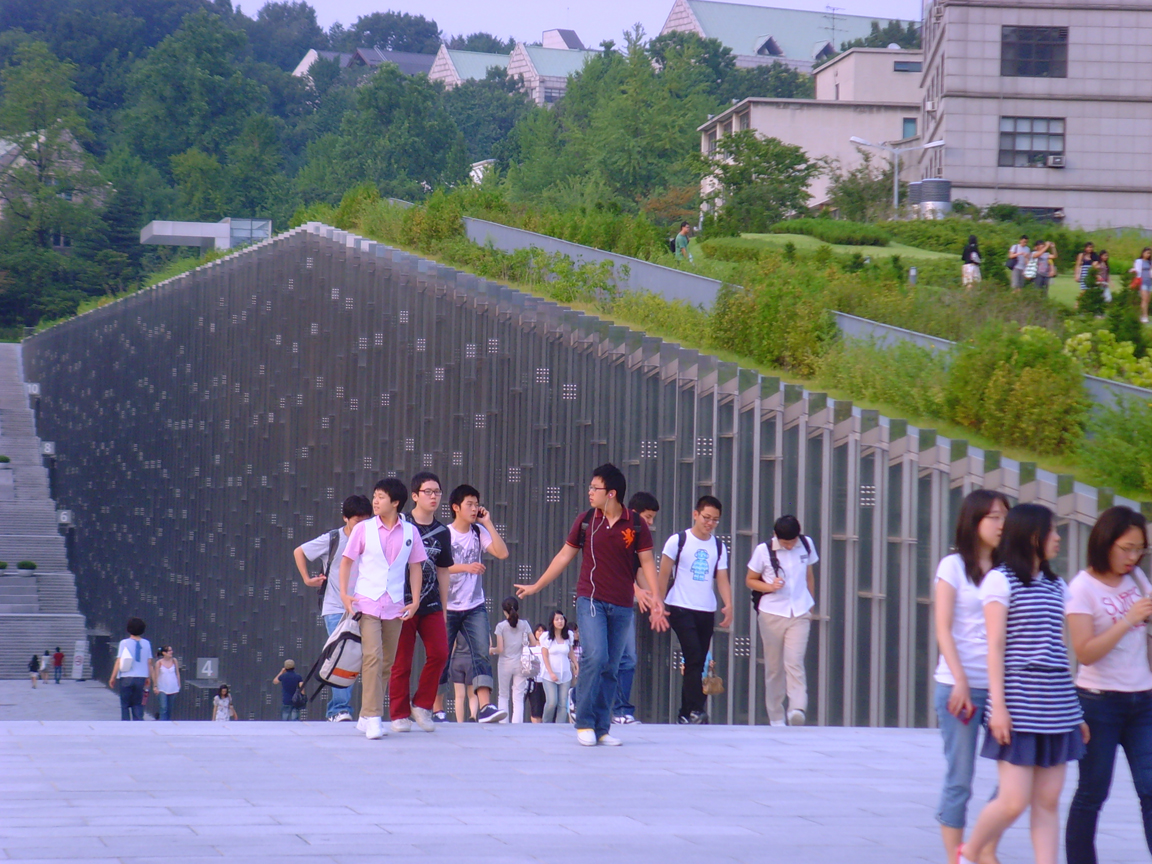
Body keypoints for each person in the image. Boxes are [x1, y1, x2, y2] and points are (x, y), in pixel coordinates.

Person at [960, 504, 1089, 864]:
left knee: (1048, 802)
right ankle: (969, 853)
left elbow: (1059, 652)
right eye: (1053, 531)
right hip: (1019, 701)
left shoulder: (1056, 584)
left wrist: (1076, 714)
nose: (1059, 538)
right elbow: (996, 647)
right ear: (1032, 535)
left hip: (1057, 703)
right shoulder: (1000, 580)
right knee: (1013, 800)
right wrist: (997, 708)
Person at [517, 463, 667, 747]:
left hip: (622, 604)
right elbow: (564, 556)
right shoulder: (586, 520)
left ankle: (601, 727)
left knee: (612, 666)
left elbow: (647, 562)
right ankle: (584, 721)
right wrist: (537, 585)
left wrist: (656, 597)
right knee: (595, 656)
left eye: (594, 488)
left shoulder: (635, 524)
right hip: (591, 599)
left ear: (611, 493)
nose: (590, 492)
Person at [1065, 506, 1152, 864]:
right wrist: (1128, 620)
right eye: (1126, 548)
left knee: (1150, 790)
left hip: (1143, 703)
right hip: (1098, 702)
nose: (1133, 557)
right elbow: (1085, 652)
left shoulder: (1139, 581)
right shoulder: (1081, 588)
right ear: (1105, 542)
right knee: (1093, 791)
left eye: (1140, 550)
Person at [932, 490, 1009, 864]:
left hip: (1001, 688)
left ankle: (981, 846)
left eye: (1004, 517)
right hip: (956, 685)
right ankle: (956, 857)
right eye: (993, 517)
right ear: (973, 520)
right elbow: (943, 628)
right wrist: (960, 679)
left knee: (1015, 779)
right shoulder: (952, 566)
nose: (1001, 524)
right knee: (960, 777)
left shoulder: (1011, 569)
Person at [338, 477, 425, 740]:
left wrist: (417, 599)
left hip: (395, 605)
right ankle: (375, 717)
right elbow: (346, 561)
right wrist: (345, 594)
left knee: (387, 662)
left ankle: (365, 715)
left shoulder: (410, 532)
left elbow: (416, 566)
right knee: (373, 657)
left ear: (395, 502)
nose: (375, 501)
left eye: (381, 497)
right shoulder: (363, 529)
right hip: (367, 602)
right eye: (374, 495)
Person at [293, 494, 373, 722]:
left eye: (366, 521)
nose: (362, 526)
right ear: (345, 518)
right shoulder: (333, 538)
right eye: (358, 521)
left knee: (370, 658)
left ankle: (368, 710)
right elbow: (300, 551)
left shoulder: (373, 539)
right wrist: (308, 579)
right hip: (336, 607)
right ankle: (338, 709)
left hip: (365, 607)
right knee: (342, 656)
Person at [658, 495, 732, 725]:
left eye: (715, 520)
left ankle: (685, 712)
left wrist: (728, 604)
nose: (710, 523)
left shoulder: (718, 546)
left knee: (696, 661)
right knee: (693, 655)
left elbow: (721, 578)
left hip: (706, 608)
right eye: (706, 518)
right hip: (680, 605)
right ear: (695, 514)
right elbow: (663, 575)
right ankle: (696, 710)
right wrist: (658, 604)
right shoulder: (678, 541)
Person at [389, 472, 452, 734]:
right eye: (428, 491)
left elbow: (444, 571)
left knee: (439, 653)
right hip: (400, 604)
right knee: (401, 661)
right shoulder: (400, 525)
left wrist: (445, 607)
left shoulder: (442, 532)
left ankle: (422, 705)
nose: (434, 496)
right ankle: (399, 714)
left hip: (431, 604)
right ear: (415, 496)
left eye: (437, 492)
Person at [442, 483, 510, 724]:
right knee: (441, 655)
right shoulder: (445, 533)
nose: (474, 509)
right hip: (448, 606)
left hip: (474, 605)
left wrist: (487, 524)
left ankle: (485, 707)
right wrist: (465, 567)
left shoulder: (478, 533)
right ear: (456, 507)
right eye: (469, 504)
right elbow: (438, 567)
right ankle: (437, 708)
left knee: (481, 652)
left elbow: (502, 553)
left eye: (476, 504)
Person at [746, 515, 818, 727]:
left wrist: (810, 605)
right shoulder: (763, 551)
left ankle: (797, 708)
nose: (790, 546)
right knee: (774, 667)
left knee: (794, 662)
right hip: (772, 613)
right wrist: (770, 586)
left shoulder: (806, 544)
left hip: (799, 612)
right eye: (786, 542)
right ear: (776, 536)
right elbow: (749, 580)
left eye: (793, 541)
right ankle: (776, 717)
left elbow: (809, 576)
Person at [614, 491, 660, 726]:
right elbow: (614, 568)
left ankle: (621, 710)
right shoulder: (617, 531)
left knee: (627, 658)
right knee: (604, 658)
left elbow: (641, 569)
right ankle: (581, 697)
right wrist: (638, 591)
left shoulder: (639, 536)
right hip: (603, 601)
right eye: (648, 517)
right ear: (634, 513)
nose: (651, 523)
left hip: (623, 604)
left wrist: (654, 600)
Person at [492, 595, 535, 723]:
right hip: (521, 663)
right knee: (518, 696)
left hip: (504, 663)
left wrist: (491, 650)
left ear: (504, 611)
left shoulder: (501, 626)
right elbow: (534, 643)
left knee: (503, 695)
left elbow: (500, 649)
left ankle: (503, 722)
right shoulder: (524, 624)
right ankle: (517, 724)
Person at [109, 616, 154, 721]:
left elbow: (119, 661)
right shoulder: (147, 643)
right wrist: (149, 678)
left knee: (125, 704)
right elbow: (149, 662)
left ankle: (125, 725)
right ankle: (138, 724)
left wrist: (113, 677)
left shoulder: (124, 643)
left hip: (126, 677)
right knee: (138, 704)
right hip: (141, 677)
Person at [540, 610, 577, 723]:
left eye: (561, 619)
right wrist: (551, 672)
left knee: (563, 703)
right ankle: (545, 724)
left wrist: (576, 664)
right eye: (557, 619)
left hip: (565, 673)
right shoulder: (546, 637)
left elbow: (570, 652)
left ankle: (559, 726)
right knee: (552, 702)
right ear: (552, 621)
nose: (560, 621)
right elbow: (545, 656)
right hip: (549, 674)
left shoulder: (568, 635)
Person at [153, 646, 181, 720]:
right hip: (162, 688)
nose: (171, 652)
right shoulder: (159, 663)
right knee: (163, 706)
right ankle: (162, 723)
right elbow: (156, 675)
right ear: (164, 653)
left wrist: (179, 685)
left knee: (169, 708)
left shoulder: (174, 661)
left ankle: (167, 723)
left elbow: (177, 673)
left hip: (173, 687)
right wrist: (155, 686)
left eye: (171, 650)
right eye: (169, 651)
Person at [528, 624, 547, 723]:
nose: (540, 633)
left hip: (546, 680)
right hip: (535, 681)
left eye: (543, 631)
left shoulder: (548, 648)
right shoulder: (530, 649)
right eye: (538, 630)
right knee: (535, 709)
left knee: (546, 707)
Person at [1130, 247, 1152, 323]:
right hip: (1142, 281)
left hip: (1149, 281)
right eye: (1147, 253)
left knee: (1148, 300)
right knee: (1144, 299)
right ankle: (1144, 316)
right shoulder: (1139, 261)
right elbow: (1137, 270)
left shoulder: (1150, 262)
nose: (1148, 255)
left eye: (1149, 253)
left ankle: (1143, 315)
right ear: (1143, 253)